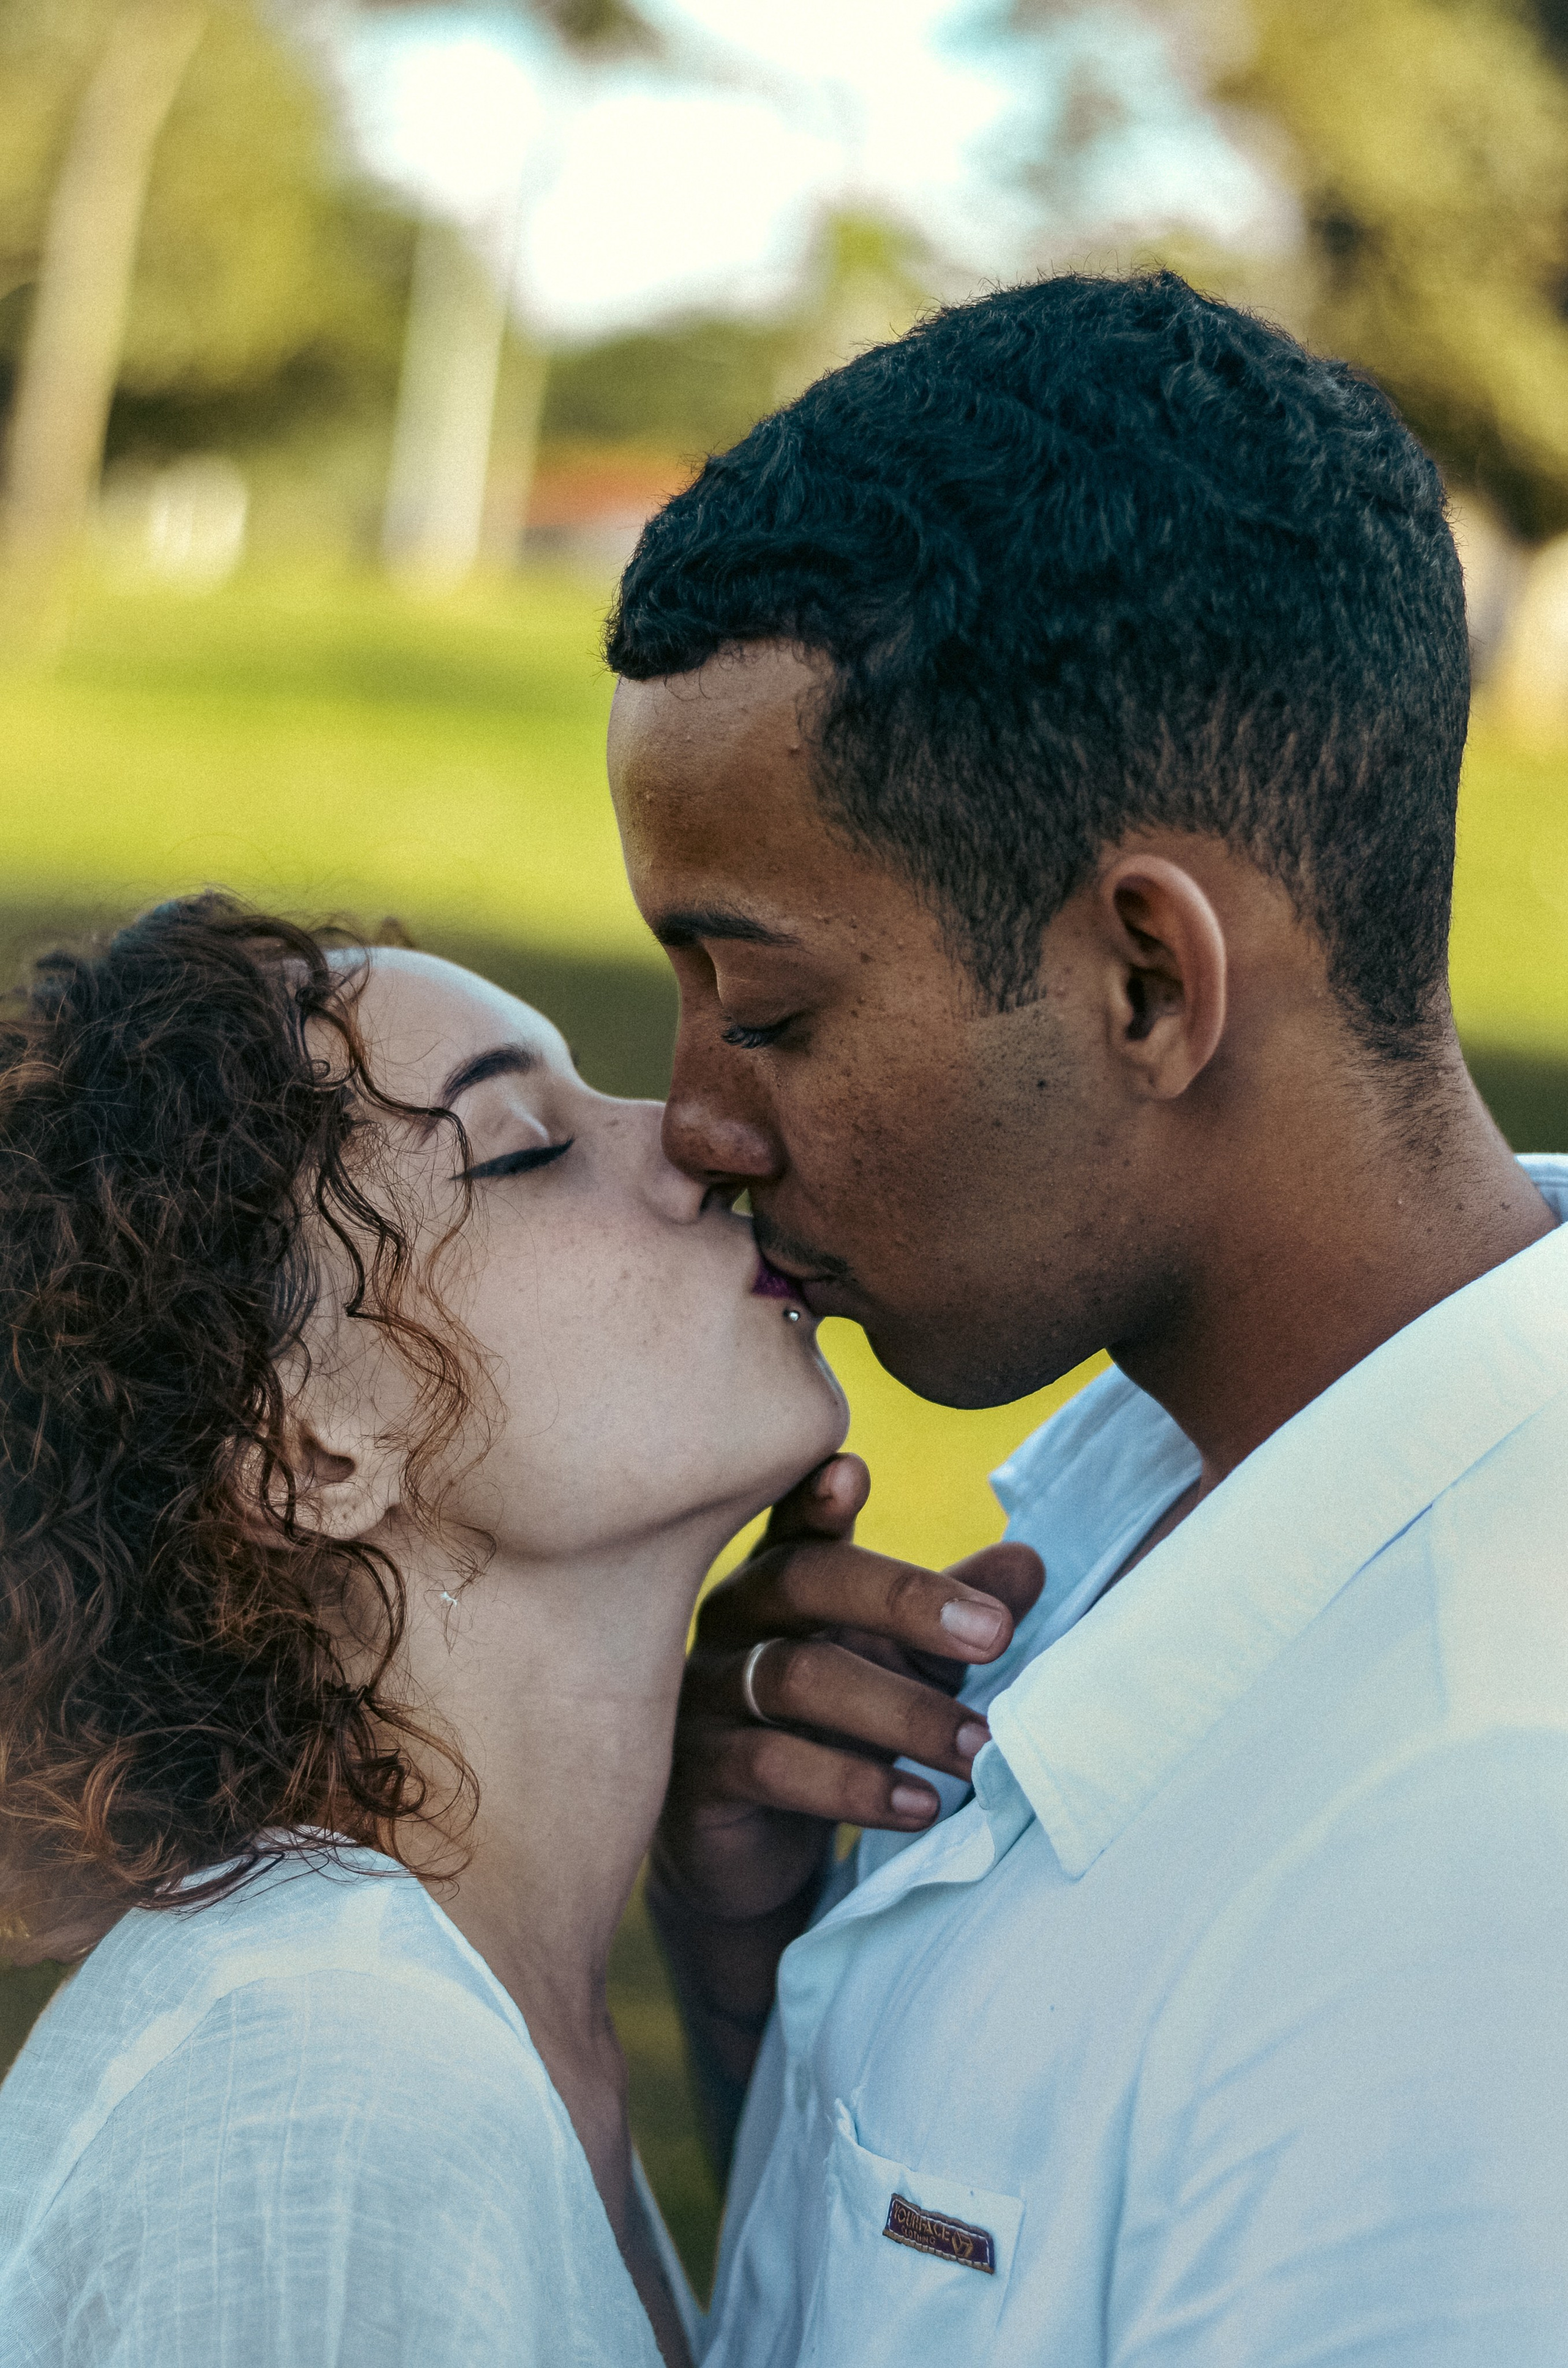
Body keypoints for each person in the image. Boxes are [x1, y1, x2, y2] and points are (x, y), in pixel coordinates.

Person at [603, 271, 1568, 2362]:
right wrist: (766, 1971)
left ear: (1149, 977)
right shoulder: (1152, 1464)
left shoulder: (1480, 1855)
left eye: (769, 1006)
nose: (692, 1120)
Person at [0, 897, 894, 2367]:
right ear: (313, 1453)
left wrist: (749, 1979)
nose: (692, 1136)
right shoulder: (330, 2096)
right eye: (524, 1150)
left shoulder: (466, 2046)